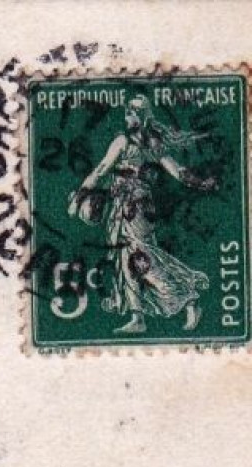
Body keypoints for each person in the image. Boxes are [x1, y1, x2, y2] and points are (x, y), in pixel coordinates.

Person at [69, 96, 219, 335]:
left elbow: (100, 171)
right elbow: (179, 173)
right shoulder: (149, 143)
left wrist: (78, 199)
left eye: (131, 114)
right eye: (127, 113)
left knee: (142, 257)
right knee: (127, 258)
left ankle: (188, 299)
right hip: (126, 206)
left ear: (142, 117)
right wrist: (201, 183)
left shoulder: (127, 141)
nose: (127, 118)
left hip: (133, 209)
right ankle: (137, 316)